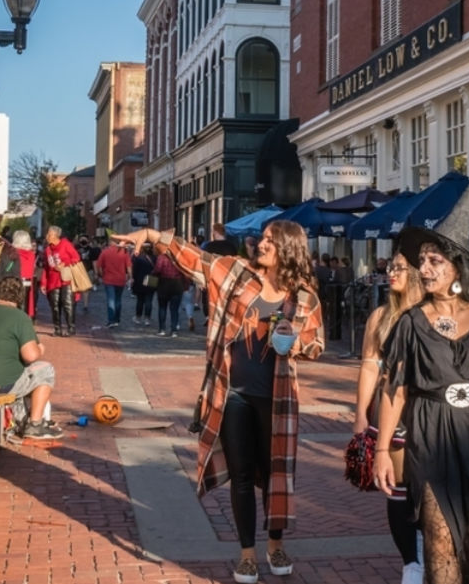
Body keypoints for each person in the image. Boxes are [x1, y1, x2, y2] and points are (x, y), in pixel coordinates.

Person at [113, 220, 324, 583]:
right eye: (263, 238)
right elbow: (196, 259)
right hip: (232, 393)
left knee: (275, 474)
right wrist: (150, 237)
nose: (261, 244)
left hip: (276, 398)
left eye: (271, 241)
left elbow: (315, 345)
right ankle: (246, 555)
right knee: (241, 476)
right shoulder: (238, 274)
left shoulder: (304, 297)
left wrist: (296, 342)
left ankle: (274, 544)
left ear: (288, 248)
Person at [373, 187, 469, 584]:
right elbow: (396, 390)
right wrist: (381, 450)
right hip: (432, 435)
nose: (423, 268)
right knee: (439, 544)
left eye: (434, 260)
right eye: (421, 260)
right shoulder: (411, 323)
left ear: (457, 268)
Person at [353, 250, 427, 584]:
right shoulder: (381, 316)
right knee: (398, 487)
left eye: (398, 267)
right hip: (391, 411)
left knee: (430, 488)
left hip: (431, 411)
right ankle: (411, 561)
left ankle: (428, 546)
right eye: (390, 266)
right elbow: (370, 365)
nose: (390, 272)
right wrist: (360, 414)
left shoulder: (433, 313)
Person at [0, 276, 63, 439]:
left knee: (19, 370)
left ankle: (19, 419)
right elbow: (30, 356)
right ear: (20, 296)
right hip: (1, 384)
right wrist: (40, 348)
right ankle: (35, 424)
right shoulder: (19, 317)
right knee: (45, 370)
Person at [42, 226, 81, 337]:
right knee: (54, 305)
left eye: (49, 234)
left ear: (56, 235)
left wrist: (64, 264)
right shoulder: (48, 250)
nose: (47, 236)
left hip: (66, 279)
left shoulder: (65, 244)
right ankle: (57, 328)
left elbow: (76, 258)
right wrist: (44, 283)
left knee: (67, 303)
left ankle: (71, 328)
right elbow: (46, 267)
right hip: (53, 281)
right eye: (47, 234)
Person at [152, 243, 187, 337]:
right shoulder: (179, 258)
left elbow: (157, 270)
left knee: (162, 307)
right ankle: (174, 330)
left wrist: (152, 274)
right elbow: (185, 271)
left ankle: (162, 329)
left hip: (164, 284)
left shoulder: (162, 257)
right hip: (177, 284)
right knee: (174, 309)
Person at [96, 237, 131, 328]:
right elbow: (129, 267)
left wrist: (101, 274)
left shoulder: (105, 252)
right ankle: (117, 319)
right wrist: (130, 277)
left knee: (110, 300)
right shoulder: (124, 252)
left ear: (110, 242)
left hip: (108, 279)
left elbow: (99, 266)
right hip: (120, 279)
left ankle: (111, 320)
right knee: (118, 300)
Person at [131, 243, 156, 326]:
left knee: (140, 300)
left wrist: (133, 278)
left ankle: (138, 317)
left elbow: (134, 271)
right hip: (151, 279)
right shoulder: (155, 258)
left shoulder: (139, 258)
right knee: (149, 300)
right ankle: (147, 319)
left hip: (140, 280)